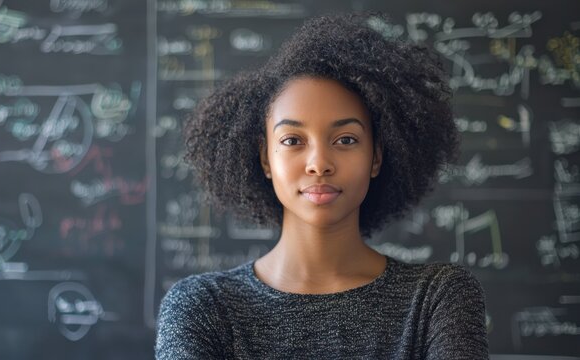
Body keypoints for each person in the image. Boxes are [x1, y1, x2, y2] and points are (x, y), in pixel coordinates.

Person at [155, 11, 489, 359]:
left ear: (376, 157)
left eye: (345, 140)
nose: (319, 164)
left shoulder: (437, 298)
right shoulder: (201, 308)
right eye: (292, 140)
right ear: (266, 158)